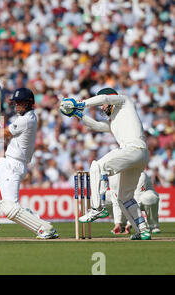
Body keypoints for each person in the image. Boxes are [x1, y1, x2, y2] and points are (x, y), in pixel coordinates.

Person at [0, 87, 59, 239]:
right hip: (6, 163)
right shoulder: (25, 118)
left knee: (9, 208)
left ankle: (45, 228)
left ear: (29, 103)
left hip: (13, 167)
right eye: (15, 103)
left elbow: (2, 133)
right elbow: (4, 136)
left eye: (20, 102)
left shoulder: (27, 119)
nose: (16, 105)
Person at [60, 87, 151, 240]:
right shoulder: (114, 120)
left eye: (102, 105)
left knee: (97, 166)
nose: (101, 108)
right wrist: (78, 114)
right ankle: (143, 230)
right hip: (139, 156)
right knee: (125, 197)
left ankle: (97, 207)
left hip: (133, 149)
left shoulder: (125, 102)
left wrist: (79, 103)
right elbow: (97, 126)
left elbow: (105, 99)